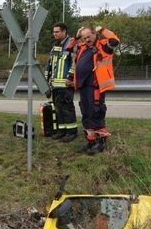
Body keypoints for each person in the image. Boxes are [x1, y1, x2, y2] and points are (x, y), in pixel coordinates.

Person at [67, 26, 119, 155]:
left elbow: (115, 40)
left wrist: (102, 30)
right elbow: (69, 47)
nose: (87, 39)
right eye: (84, 38)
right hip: (83, 86)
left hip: (96, 86)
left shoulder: (103, 46)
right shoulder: (82, 47)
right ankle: (90, 140)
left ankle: (100, 142)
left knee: (96, 112)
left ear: (94, 34)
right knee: (86, 112)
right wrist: (77, 35)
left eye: (89, 36)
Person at [45, 22, 78, 142]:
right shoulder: (55, 46)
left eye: (57, 32)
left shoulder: (72, 45)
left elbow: (75, 63)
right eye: (54, 32)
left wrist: (70, 78)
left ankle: (72, 132)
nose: (55, 34)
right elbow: (50, 65)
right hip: (55, 85)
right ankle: (61, 130)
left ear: (64, 32)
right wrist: (46, 83)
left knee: (67, 108)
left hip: (66, 84)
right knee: (58, 108)